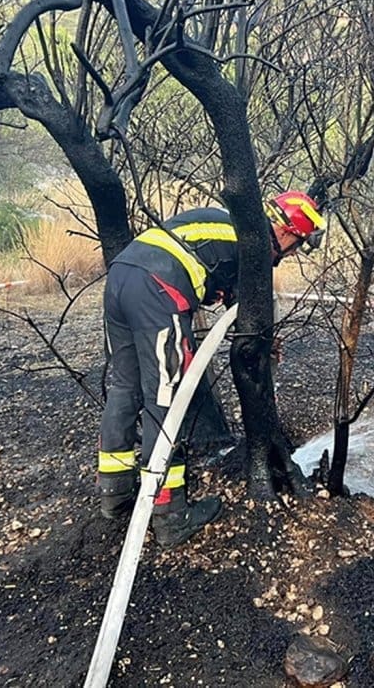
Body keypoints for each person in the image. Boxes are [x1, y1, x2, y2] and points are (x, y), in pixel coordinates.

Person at [97, 190, 325, 547]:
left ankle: (115, 492)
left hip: (122, 277)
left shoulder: (228, 225)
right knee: (166, 399)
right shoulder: (254, 246)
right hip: (159, 289)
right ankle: (170, 514)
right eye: (297, 244)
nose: (290, 255)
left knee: (126, 388)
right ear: (285, 232)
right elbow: (248, 316)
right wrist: (265, 342)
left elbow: (231, 297)